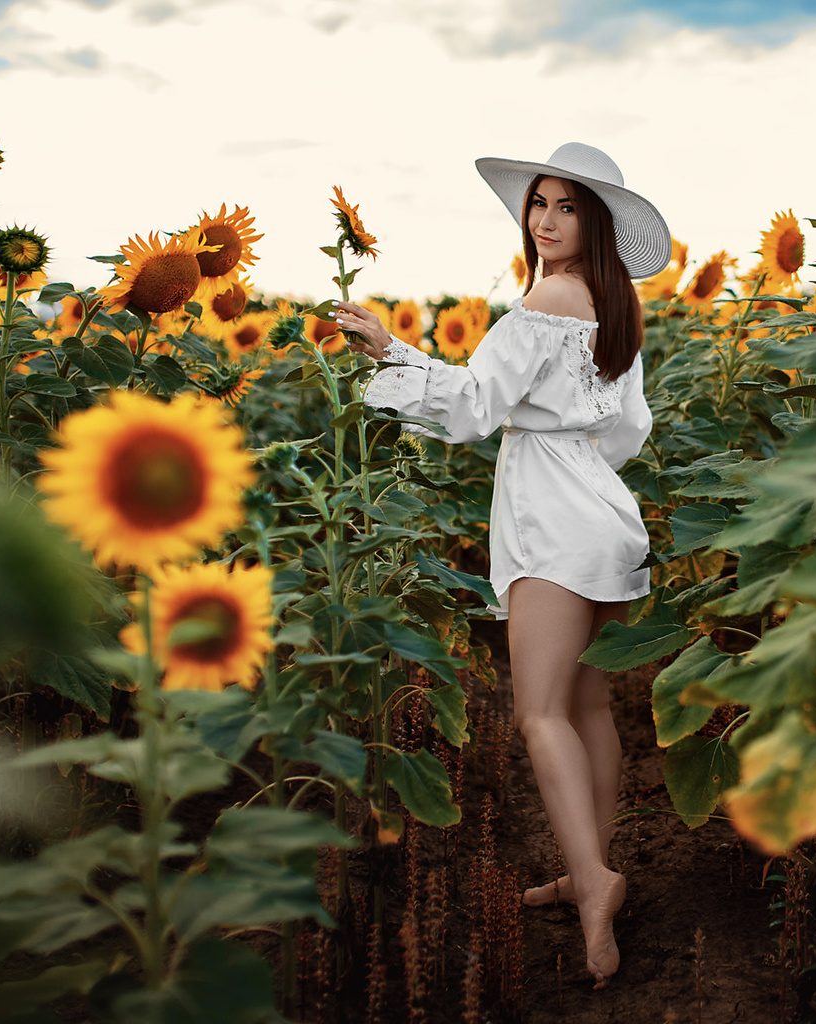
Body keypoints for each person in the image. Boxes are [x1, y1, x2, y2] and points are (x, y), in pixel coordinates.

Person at [330, 142, 670, 989]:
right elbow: (630, 430)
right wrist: (568, 451)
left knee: (538, 715)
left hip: (552, 524)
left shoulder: (548, 297)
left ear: (592, 223)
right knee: (592, 706)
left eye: (565, 208)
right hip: (605, 514)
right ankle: (594, 865)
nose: (545, 221)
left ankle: (593, 884)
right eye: (539, 204)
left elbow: (477, 409)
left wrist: (387, 356)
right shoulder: (613, 305)